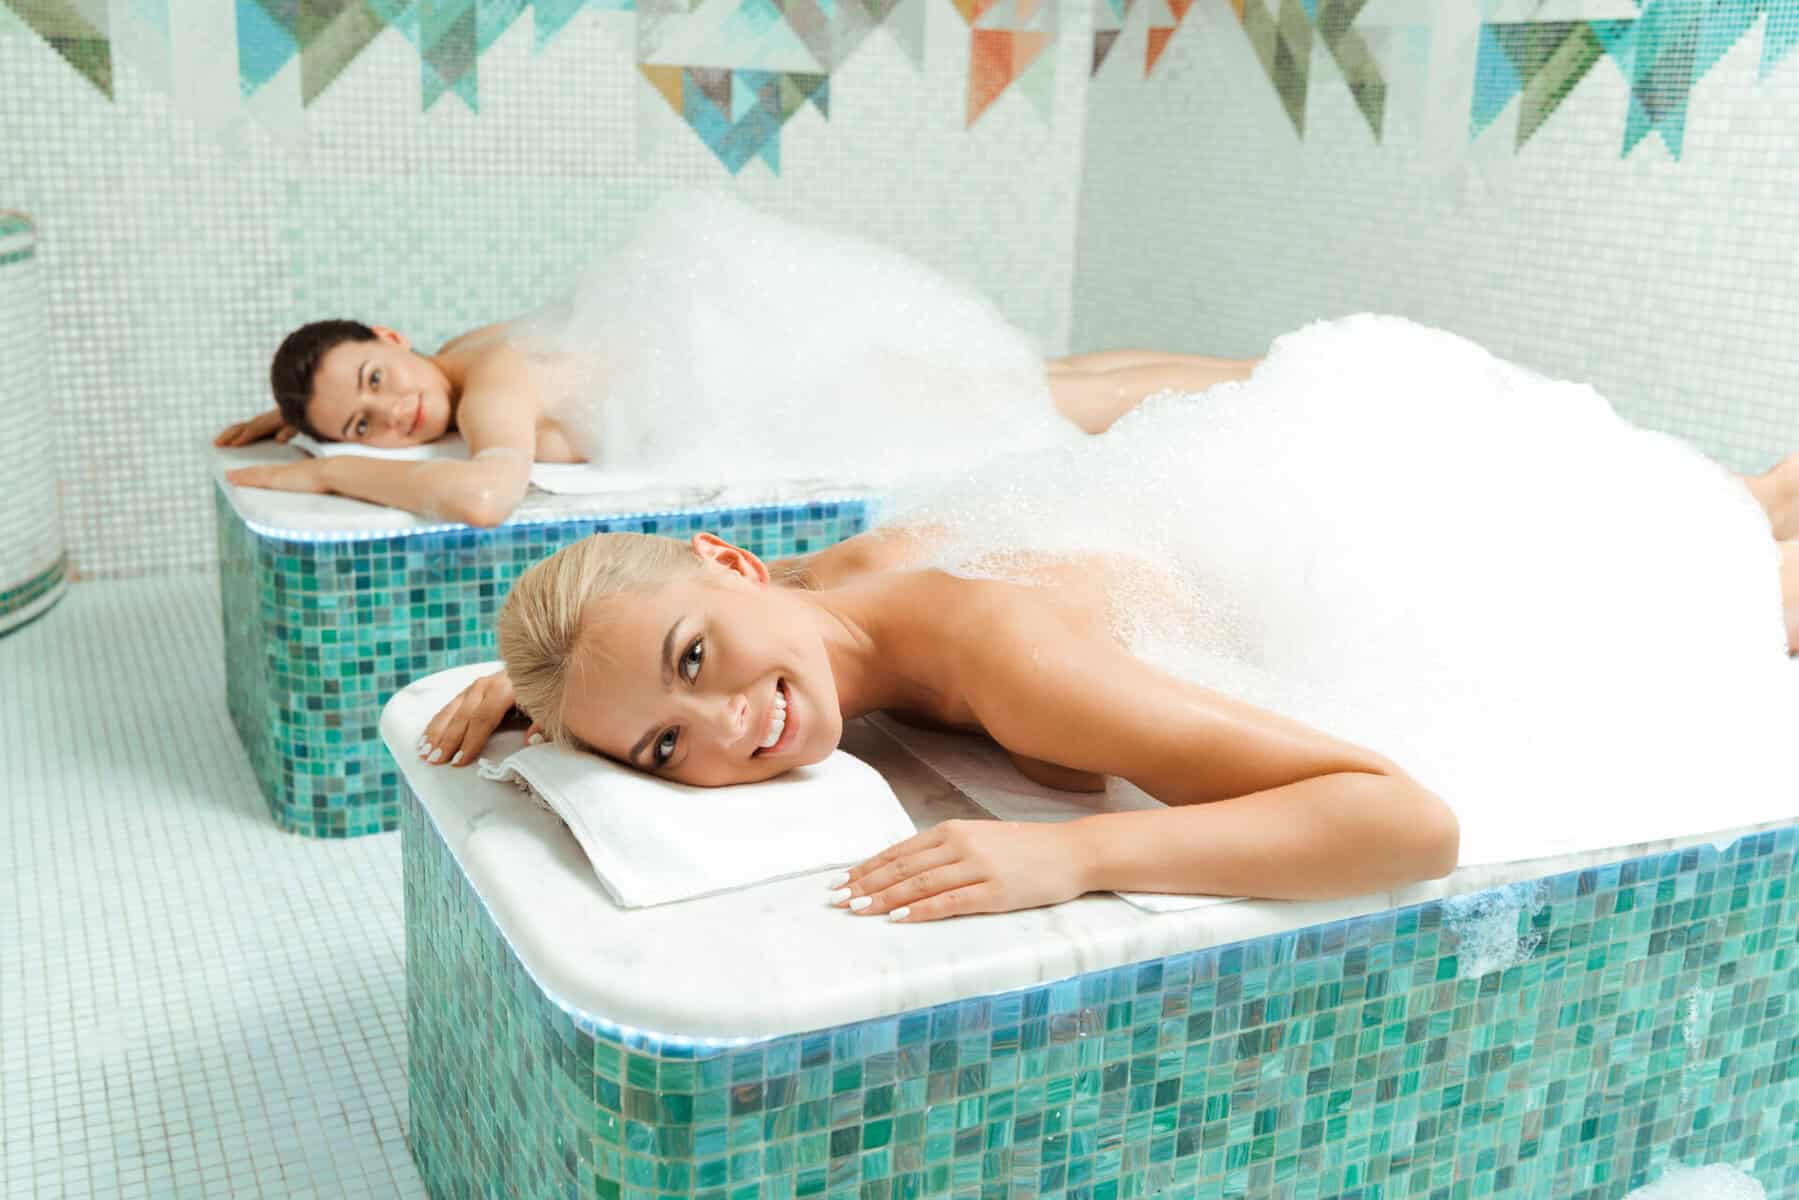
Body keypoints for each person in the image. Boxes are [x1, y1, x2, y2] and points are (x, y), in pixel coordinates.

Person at [416, 315, 1799, 923]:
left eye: (696, 662)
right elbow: (663, 657)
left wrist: (1076, 862)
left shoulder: (1001, 657)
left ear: (730, 565)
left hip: (1472, 564)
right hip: (1343, 499)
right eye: (667, 746)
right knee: (1735, 501)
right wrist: (543, 689)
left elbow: (1401, 818)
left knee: (1744, 580)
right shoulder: (810, 595)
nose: (734, 724)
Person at [217, 194, 1257, 526]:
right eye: (360, 423)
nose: (391, 416)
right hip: (782, 359)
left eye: (373, 381)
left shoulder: (488, 383)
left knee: (1065, 398)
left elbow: (488, 495)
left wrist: (323, 470)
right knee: (1060, 375)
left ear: (390, 338)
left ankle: (1282, 388)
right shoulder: (461, 352)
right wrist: (302, 418)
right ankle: (1266, 370)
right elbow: (428, 422)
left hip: (813, 388)